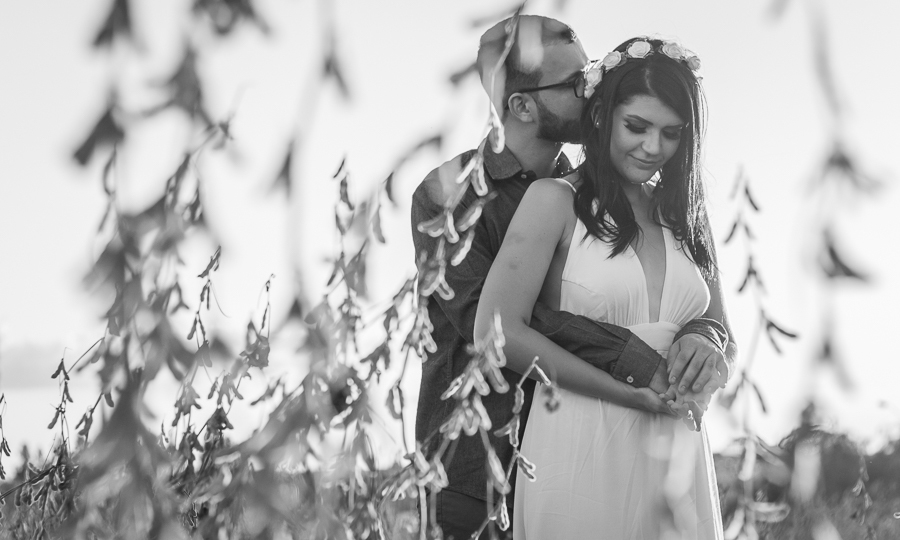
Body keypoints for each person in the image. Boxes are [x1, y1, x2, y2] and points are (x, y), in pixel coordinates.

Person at [411, 18, 729, 539]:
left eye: (590, 73)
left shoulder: (607, 193)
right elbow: (494, 322)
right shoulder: (453, 196)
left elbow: (693, 304)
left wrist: (703, 334)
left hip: (619, 433)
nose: (593, 85)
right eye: (575, 82)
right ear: (521, 106)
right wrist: (635, 361)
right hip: (476, 457)